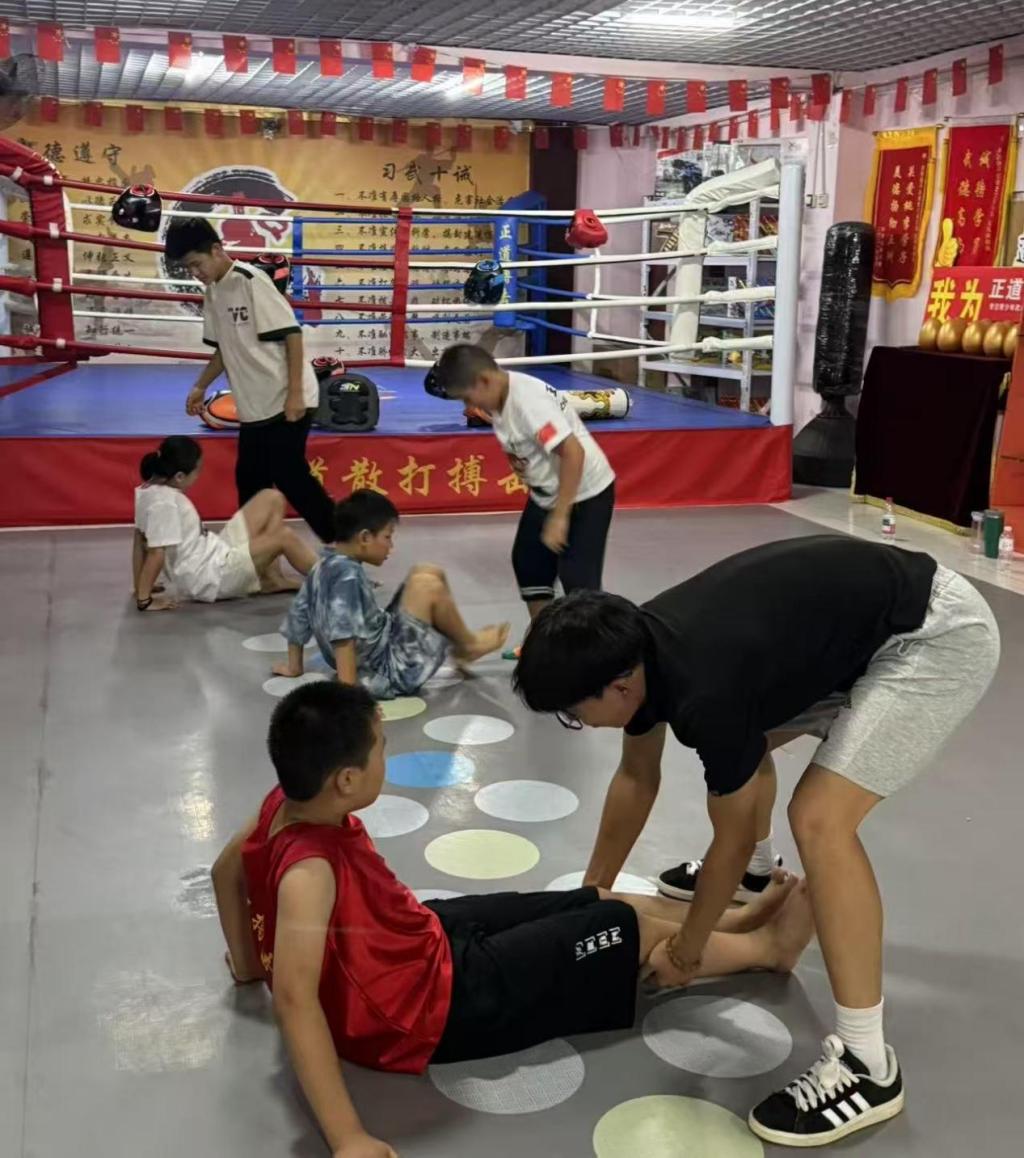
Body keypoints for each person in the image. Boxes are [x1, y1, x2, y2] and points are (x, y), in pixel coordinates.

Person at [512, 534, 1000, 1148]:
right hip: (858, 628)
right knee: (747, 746)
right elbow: (636, 778)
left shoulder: (703, 690)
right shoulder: (635, 648)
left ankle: (868, 1065)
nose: (577, 724)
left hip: (932, 636)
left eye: (572, 712)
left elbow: (732, 834)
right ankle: (758, 880)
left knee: (819, 818)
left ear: (619, 688)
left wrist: (687, 951)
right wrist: (591, 894)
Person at [212, 680, 816, 1158]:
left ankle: (730, 924)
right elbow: (295, 998)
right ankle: (767, 948)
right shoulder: (310, 872)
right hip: (431, 1006)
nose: (385, 756)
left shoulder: (281, 804)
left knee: (595, 900)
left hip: (418, 937)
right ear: (346, 780)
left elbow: (225, 872)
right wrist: (347, 1138)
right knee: (626, 933)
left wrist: (246, 964)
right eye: (381, 748)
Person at [165, 216, 335, 542]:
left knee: (290, 476)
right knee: (250, 482)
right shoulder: (214, 293)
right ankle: (259, 558)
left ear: (217, 250)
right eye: (188, 268)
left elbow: (292, 335)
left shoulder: (251, 280)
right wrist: (200, 385)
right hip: (256, 404)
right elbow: (224, 349)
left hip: (285, 396)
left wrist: (295, 395)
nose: (195, 273)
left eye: (197, 264)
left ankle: (342, 547)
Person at [432, 345, 616, 646]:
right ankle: (543, 644)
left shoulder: (530, 405)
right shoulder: (498, 395)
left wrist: (561, 516)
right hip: (547, 492)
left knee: (579, 584)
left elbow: (573, 453)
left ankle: (595, 654)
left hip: (584, 493)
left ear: (484, 381)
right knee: (529, 563)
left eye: (467, 397)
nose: (468, 405)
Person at [273, 490, 509, 698]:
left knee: (426, 571)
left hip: (381, 645)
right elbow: (343, 638)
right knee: (428, 586)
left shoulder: (322, 565)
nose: (391, 546)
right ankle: (468, 646)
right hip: (387, 670)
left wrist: (295, 666)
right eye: (387, 536)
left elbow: (299, 613)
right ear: (365, 538)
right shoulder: (347, 577)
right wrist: (350, 699)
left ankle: (466, 645)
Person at [133, 436, 317, 611]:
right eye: (197, 471)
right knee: (284, 537)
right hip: (212, 579)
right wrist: (144, 600)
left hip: (214, 553)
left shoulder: (146, 490)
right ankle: (332, 579)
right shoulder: (165, 504)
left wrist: (138, 586)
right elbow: (156, 552)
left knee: (272, 497)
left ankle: (271, 578)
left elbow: (138, 541)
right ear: (179, 476)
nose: (198, 476)